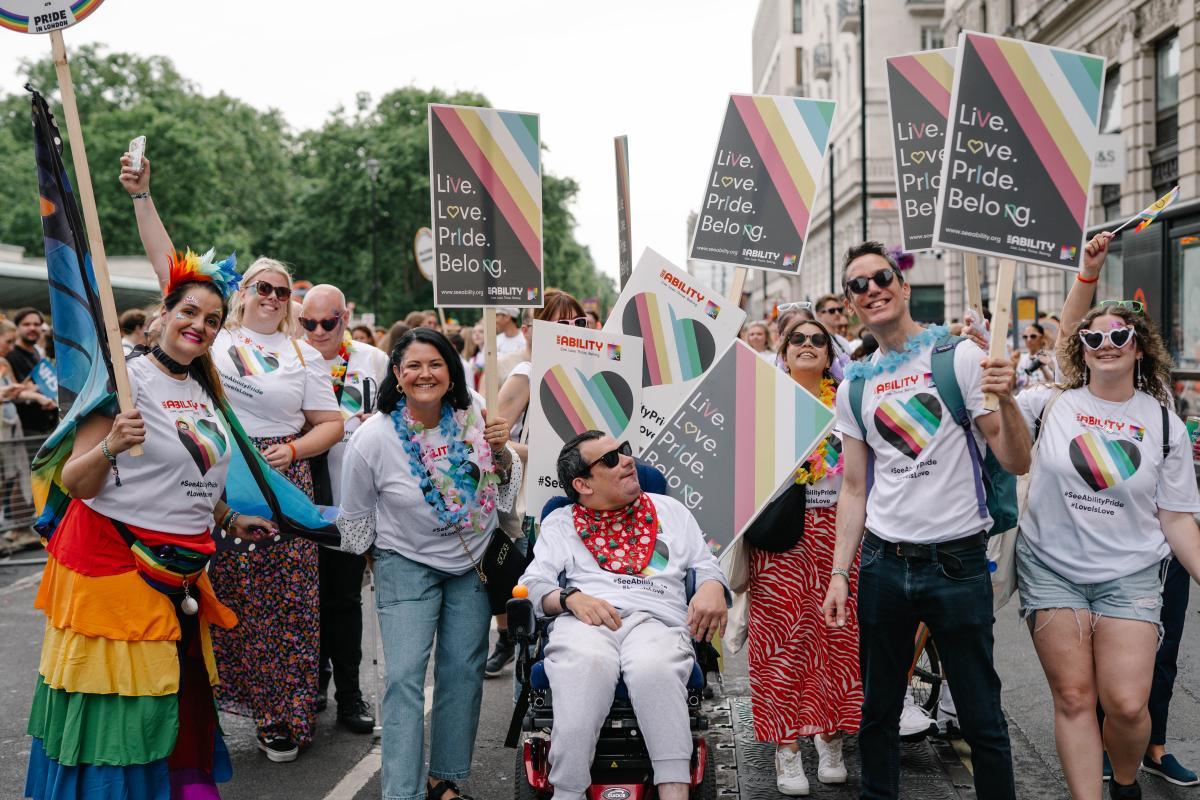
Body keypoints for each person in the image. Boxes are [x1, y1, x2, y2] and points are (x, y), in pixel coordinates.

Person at [23, 253, 276, 799]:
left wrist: (229, 517)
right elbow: (77, 479)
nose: (200, 326)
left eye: (212, 320)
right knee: (121, 706)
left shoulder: (208, 392)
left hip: (184, 571)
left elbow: (194, 476)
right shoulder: (120, 379)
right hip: (112, 566)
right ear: (163, 314)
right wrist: (112, 443)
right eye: (190, 311)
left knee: (169, 700)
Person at [121, 152, 344, 762]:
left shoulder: (305, 357)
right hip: (212, 476)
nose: (273, 297)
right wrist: (143, 197)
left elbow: (332, 423)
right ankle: (218, 708)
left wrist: (292, 447)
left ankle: (284, 715)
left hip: (279, 485)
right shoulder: (215, 335)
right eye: (262, 287)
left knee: (290, 608)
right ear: (242, 294)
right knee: (223, 600)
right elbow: (171, 270)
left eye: (283, 290)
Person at [822, 241, 1030, 800]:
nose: (873, 289)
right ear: (851, 303)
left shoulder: (958, 357)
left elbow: (1017, 460)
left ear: (904, 285)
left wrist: (1007, 400)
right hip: (885, 565)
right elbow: (854, 486)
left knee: (982, 717)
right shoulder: (855, 385)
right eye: (858, 284)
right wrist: (841, 572)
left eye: (881, 277)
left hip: (957, 564)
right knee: (878, 714)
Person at [1032, 230, 1200, 798]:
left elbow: (1177, 518)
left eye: (1119, 335)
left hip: (1129, 571)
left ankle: (1125, 779)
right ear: (1081, 347)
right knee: (1076, 697)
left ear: (1138, 346)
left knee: (1127, 705)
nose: (1106, 343)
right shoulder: (1052, 401)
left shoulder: (1161, 422)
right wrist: (1087, 272)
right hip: (1052, 569)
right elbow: (1059, 342)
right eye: (1094, 336)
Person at [336, 327, 513, 800]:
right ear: (397, 374)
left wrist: (501, 451)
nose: (424, 374)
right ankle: (403, 792)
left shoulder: (473, 410)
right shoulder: (372, 438)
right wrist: (378, 559)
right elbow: (353, 516)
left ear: (450, 371)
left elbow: (504, 487)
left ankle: (444, 780)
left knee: (463, 671)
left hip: (472, 562)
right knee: (404, 679)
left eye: (435, 364)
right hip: (405, 563)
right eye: (412, 365)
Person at [519, 431, 729, 800]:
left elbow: (705, 564)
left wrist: (712, 584)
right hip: (585, 621)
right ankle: (567, 791)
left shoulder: (671, 511)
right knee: (587, 663)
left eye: (625, 450)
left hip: (657, 619)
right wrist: (569, 598)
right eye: (611, 459)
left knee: (654, 667)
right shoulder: (561, 522)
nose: (628, 460)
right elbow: (534, 584)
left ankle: (673, 788)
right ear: (582, 484)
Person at [746, 317, 860, 795]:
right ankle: (787, 748)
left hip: (839, 531)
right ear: (783, 349)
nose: (809, 345)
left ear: (831, 353)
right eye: (799, 339)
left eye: (819, 339)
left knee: (838, 636)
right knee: (782, 641)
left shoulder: (849, 403)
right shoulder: (762, 401)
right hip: (782, 536)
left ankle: (830, 736)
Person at [300, 285, 390, 734]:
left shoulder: (373, 361)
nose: (318, 331)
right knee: (306, 599)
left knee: (345, 599)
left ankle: (350, 695)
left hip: (351, 502)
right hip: (299, 500)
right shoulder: (290, 361)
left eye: (328, 322)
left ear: (345, 316)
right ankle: (314, 682)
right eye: (308, 323)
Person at [486, 290, 588, 677]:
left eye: (581, 323)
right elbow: (493, 437)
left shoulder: (589, 375)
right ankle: (528, 691)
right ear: (536, 331)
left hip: (584, 506)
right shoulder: (527, 375)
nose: (575, 331)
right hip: (537, 509)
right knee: (537, 608)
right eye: (563, 325)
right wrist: (546, 453)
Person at [7, 308, 57, 436]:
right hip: (25, 430)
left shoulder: (36, 353)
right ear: (17, 327)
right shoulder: (11, 355)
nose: (32, 328)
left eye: (36, 324)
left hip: (47, 426)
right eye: (26, 324)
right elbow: (15, 391)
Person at [1014, 323, 1055, 392]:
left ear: (1042, 337)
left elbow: (1054, 383)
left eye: (1033, 336)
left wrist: (1043, 368)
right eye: (1025, 337)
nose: (1028, 339)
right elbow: (1014, 386)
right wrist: (1012, 366)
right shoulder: (1019, 358)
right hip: (1023, 400)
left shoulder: (1050, 358)